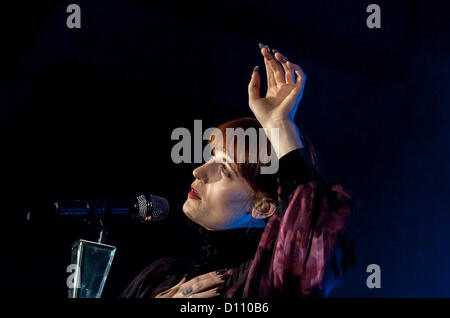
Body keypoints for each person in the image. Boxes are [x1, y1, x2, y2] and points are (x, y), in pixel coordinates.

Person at [120, 43, 355, 298]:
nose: (198, 172)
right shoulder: (159, 278)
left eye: (225, 169)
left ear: (262, 206)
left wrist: (280, 125)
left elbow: (313, 244)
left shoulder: (263, 283)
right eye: (209, 158)